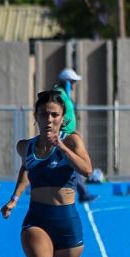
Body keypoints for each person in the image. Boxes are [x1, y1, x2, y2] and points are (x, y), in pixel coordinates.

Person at [0, 90, 94, 257]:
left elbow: (87, 169)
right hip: (37, 219)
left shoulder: (73, 141)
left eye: (55, 114)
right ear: (36, 117)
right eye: (44, 114)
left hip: (68, 223)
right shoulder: (25, 146)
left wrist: (61, 146)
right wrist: (15, 198)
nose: (49, 119)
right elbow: (26, 169)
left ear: (63, 119)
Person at [53, 68, 99, 203]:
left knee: (70, 164)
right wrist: (64, 131)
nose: (74, 85)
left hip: (68, 135)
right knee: (71, 164)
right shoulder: (58, 94)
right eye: (72, 82)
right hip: (63, 136)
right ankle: (82, 193)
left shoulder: (64, 94)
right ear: (66, 82)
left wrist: (73, 130)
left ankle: (82, 192)